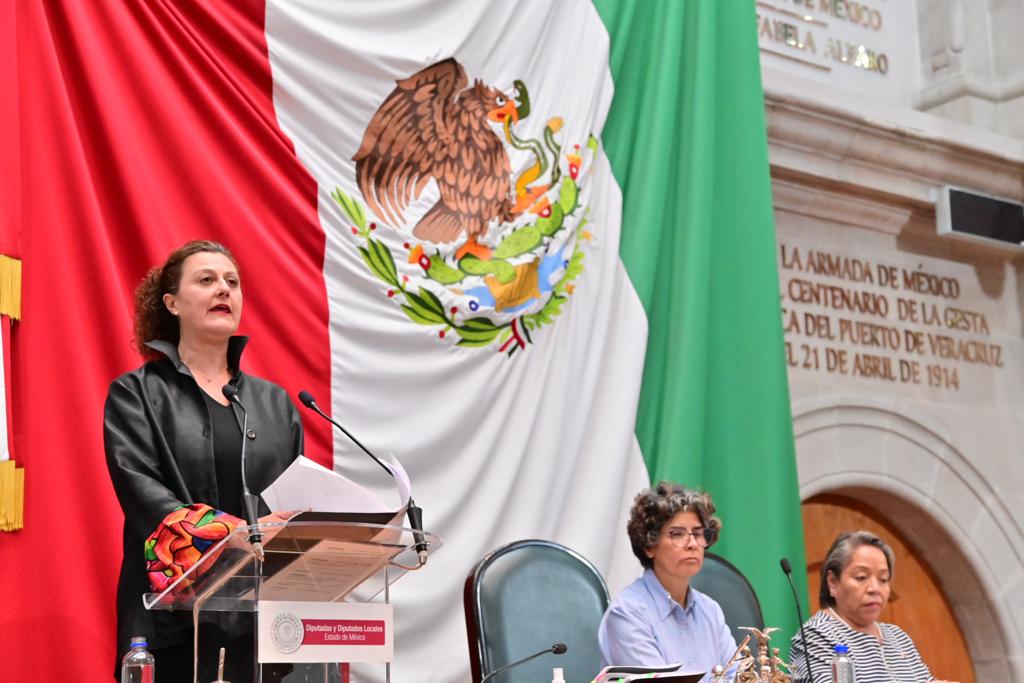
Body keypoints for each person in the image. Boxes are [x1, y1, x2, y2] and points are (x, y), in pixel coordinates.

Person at [104, 241, 303, 681]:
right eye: (207, 280)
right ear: (172, 303)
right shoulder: (137, 395)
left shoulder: (276, 404)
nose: (224, 289)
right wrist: (239, 533)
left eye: (232, 282)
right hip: (169, 625)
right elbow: (147, 500)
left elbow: (293, 506)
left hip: (259, 627)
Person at [598, 482, 738, 680]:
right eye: (677, 534)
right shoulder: (627, 614)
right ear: (649, 546)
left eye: (698, 533)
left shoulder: (710, 610)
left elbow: (738, 676)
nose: (692, 544)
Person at [789, 530, 959, 683]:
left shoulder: (897, 636)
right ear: (833, 582)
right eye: (861, 577)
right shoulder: (816, 635)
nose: (875, 589)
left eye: (883, 579)